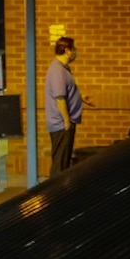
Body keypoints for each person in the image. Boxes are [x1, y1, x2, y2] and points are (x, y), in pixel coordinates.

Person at [46, 37, 82, 175]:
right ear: (67, 51)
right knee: (60, 166)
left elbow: (66, 92)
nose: (75, 52)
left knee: (63, 162)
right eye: (74, 49)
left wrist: (80, 97)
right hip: (61, 125)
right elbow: (60, 98)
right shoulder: (57, 70)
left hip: (63, 123)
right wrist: (67, 120)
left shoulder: (62, 69)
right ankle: (54, 193)